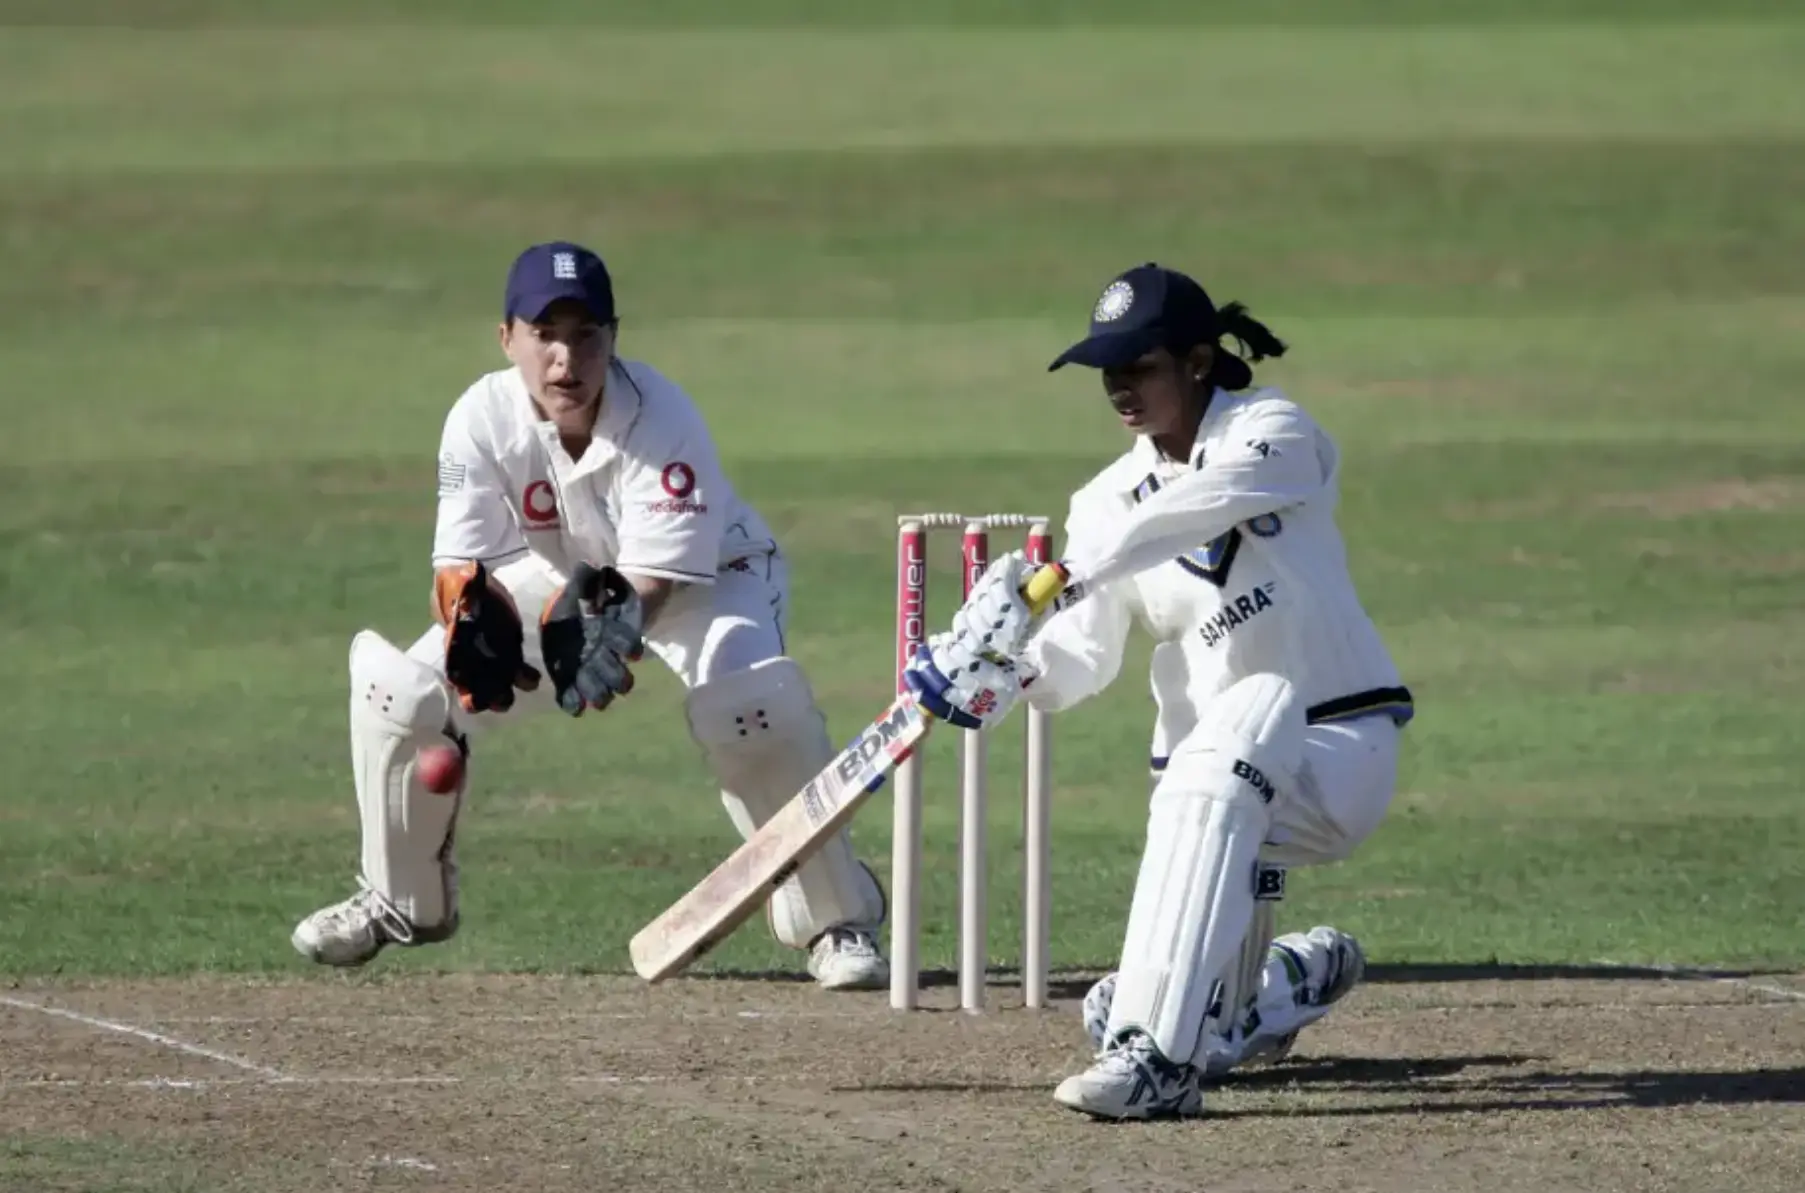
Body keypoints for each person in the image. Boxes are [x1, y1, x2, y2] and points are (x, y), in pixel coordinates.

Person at [290, 241, 890, 992]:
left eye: (586, 337)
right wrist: (472, 621)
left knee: (750, 707)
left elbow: (653, 580)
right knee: (399, 690)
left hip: (705, 580)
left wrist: (608, 628)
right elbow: (458, 569)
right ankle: (399, 898)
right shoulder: (480, 416)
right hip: (559, 574)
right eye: (544, 334)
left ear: (613, 338)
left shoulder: (663, 417)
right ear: (506, 337)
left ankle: (837, 914)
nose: (564, 360)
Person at [904, 262, 1414, 1118]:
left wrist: (1059, 573)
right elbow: (1081, 659)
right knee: (1207, 769)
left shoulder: (1275, 432)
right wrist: (1006, 668)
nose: (1118, 387)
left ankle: (1156, 1062)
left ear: (1199, 361)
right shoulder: (1100, 499)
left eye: (1138, 364)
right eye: (1107, 369)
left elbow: (1194, 507)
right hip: (1207, 793)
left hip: (1334, 748)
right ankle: (1263, 995)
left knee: (1244, 716)